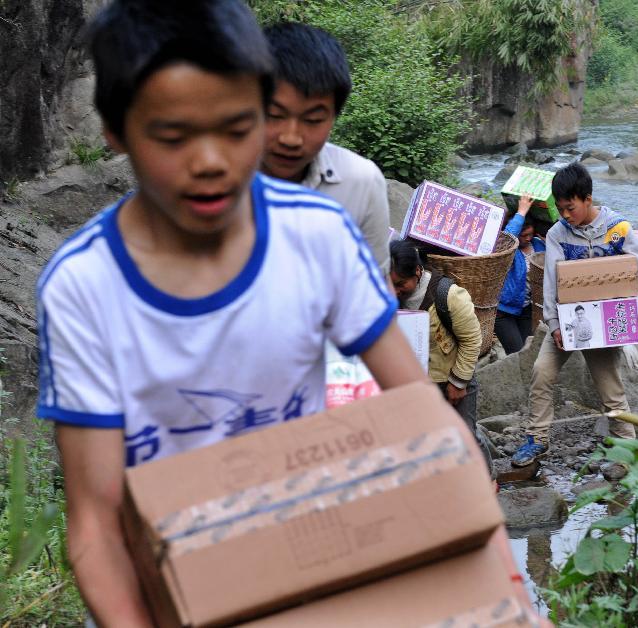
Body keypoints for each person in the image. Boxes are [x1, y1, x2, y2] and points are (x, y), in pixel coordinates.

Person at [35, 3, 430, 624]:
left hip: (302, 575)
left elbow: (417, 413)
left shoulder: (319, 235)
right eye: (173, 137)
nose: (212, 162)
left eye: (238, 127)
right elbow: (96, 521)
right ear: (114, 130)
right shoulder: (84, 287)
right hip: (161, 594)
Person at [511, 163, 638, 468]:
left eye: (571, 207)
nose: (566, 215)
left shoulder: (618, 229)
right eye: (561, 208)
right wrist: (553, 324)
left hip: (605, 324)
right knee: (542, 372)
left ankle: (627, 449)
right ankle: (537, 438)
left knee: (610, 389)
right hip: (565, 322)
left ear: (587, 199)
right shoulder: (557, 234)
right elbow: (551, 282)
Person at [261, 23, 391, 275]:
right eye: (274, 114)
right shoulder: (216, 177)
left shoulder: (361, 183)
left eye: (313, 120)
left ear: (335, 115)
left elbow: (374, 288)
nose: (291, 138)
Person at [389, 239, 493, 474]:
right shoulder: (387, 300)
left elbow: (471, 339)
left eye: (400, 284)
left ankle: (488, 482)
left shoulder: (448, 295)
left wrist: (458, 382)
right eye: (390, 284)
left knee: (465, 436)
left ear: (417, 271)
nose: (395, 291)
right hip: (416, 385)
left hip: (451, 380)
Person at [495, 194, 546, 354]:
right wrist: (521, 212)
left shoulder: (538, 245)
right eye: (523, 236)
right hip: (504, 311)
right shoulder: (509, 250)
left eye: (530, 234)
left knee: (528, 351)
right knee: (516, 354)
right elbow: (507, 238)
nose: (528, 238)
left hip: (526, 309)